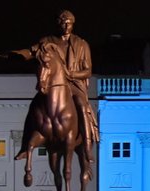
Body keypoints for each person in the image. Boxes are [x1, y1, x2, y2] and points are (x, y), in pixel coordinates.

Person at [11, 10, 99, 161]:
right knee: (34, 106)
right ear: (58, 24)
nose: (66, 26)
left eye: (69, 23)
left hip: (74, 84)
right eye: (63, 23)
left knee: (82, 105)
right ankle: (25, 147)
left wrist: (70, 74)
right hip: (53, 84)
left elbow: (88, 71)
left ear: (73, 25)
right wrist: (18, 54)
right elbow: (32, 51)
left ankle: (87, 146)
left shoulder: (81, 44)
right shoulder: (47, 42)